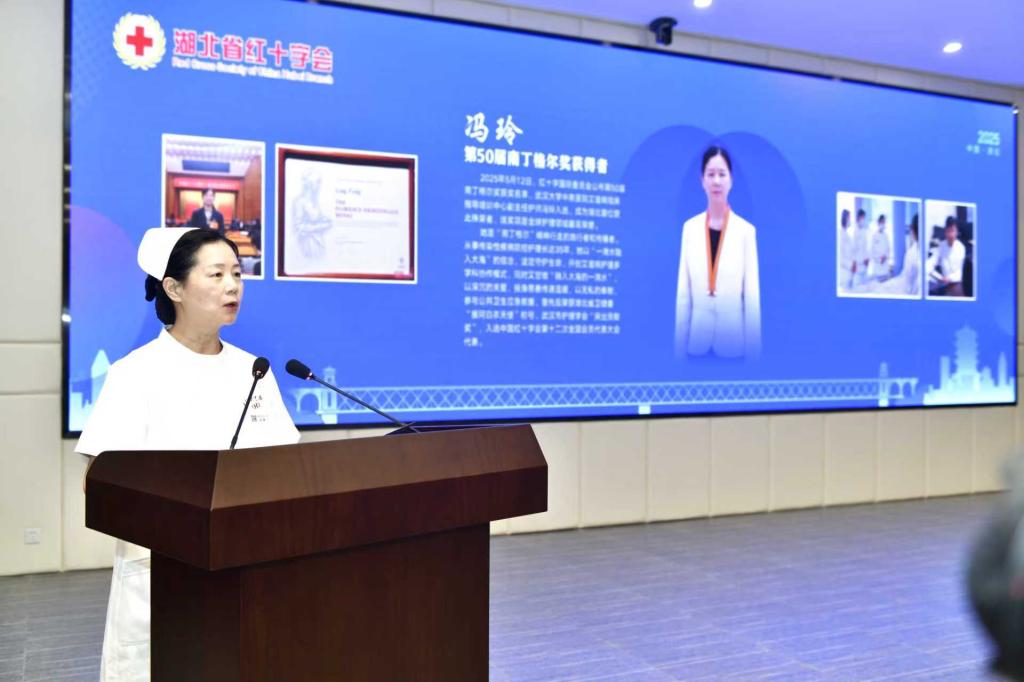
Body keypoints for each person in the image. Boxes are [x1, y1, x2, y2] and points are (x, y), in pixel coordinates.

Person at [76, 227, 299, 681]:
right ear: (174, 288)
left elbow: (287, 469)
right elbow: (98, 482)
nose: (233, 286)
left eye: (237, 273)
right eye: (216, 274)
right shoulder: (134, 373)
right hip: (163, 576)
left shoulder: (253, 370)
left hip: (247, 568)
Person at [675, 145, 760, 359]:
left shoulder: (746, 231)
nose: (716, 181)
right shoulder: (690, 228)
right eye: (710, 174)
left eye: (722, 174)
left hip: (733, 345)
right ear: (702, 180)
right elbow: (683, 294)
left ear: (731, 180)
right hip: (696, 345)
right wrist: (679, 351)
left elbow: (751, 297)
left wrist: (753, 356)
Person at [928, 216, 966, 296]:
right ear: (945, 232)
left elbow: (960, 272)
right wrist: (929, 267)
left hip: (956, 283)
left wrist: (949, 278)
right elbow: (933, 261)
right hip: (943, 283)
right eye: (948, 231)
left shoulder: (961, 248)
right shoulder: (941, 246)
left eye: (953, 231)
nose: (950, 234)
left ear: (957, 232)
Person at [837, 209, 856, 292]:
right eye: (849, 218)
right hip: (843, 276)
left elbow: (851, 253)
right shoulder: (840, 235)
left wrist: (854, 263)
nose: (850, 220)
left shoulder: (847, 235)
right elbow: (839, 257)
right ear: (845, 218)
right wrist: (851, 265)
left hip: (850, 275)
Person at [852, 208, 870, 287]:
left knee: (865, 286)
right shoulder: (854, 231)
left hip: (864, 264)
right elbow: (853, 250)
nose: (863, 220)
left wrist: (867, 258)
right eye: (863, 217)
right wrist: (855, 263)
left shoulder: (864, 231)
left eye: (864, 218)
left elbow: (866, 247)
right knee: (857, 287)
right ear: (859, 217)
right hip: (857, 265)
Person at [870, 214, 892, 280]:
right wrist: (879, 259)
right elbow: (872, 252)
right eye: (882, 222)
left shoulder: (886, 236)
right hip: (877, 268)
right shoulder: (874, 236)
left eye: (884, 222)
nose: (883, 224)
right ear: (878, 223)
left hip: (885, 268)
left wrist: (885, 257)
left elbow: (888, 249)